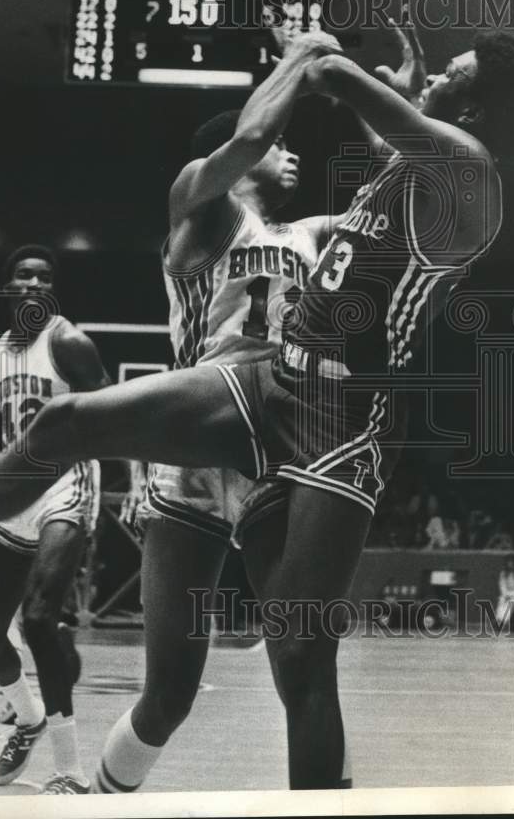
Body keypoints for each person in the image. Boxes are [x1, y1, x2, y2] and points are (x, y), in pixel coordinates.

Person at [0, 21, 514, 788]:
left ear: (479, 111)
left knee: (299, 653)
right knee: (66, 432)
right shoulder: (249, 200)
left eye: (452, 75)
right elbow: (371, 140)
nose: (433, 79)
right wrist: (396, 96)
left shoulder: (466, 170)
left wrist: (312, 49)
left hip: (338, 420)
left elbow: (356, 102)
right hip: (256, 386)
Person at [94, 90, 348, 793]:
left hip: (274, 456)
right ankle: (100, 798)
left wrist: (401, 108)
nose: (291, 149)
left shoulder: (311, 234)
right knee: (169, 694)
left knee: (304, 670)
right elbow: (250, 135)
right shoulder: (204, 212)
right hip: (195, 452)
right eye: (279, 141)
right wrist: (299, 64)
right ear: (236, 154)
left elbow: (387, 212)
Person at [0, 245, 118, 794]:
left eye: (43, 277)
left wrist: (141, 482)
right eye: (23, 275)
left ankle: (70, 771)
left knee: (39, 618)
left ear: (52, 290)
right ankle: (26, 719)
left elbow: (114, 417)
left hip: (66, 484)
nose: (33, 283)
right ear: (7, 287)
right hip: (14, 491)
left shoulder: (68, 343)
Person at [496, 554, 514, 626]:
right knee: (501, 600)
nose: (510, 564)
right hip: (506, 595)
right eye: (508, 562)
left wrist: (511, 595)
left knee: (511, 602)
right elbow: (502, 586)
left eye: (512, 562)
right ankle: (498, 619)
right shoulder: (503, 573)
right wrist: (506, 595)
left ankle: (504, 622)